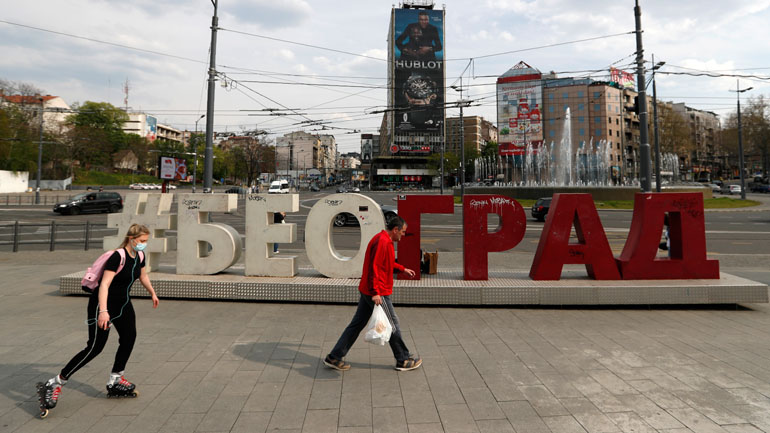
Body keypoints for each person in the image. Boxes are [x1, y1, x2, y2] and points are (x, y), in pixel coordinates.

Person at [37, 224, 159, 416]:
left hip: (123, 304)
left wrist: (152, 293)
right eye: (142, 241)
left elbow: (143, 276)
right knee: (95, 347)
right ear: (131, 238)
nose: (144, 244)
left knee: (129, 338)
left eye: (146, 241)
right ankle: (55, 383)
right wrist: (103, 311)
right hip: (101, 305)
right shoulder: (117, 256)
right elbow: (104, 285)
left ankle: (116, 380)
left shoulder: (140, 256)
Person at [324, 216, 421, 372]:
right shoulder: (382, 242)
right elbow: (373, 269)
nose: (403, 235)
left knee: (356, 325)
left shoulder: (382, 239)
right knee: (392, 324)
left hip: (368, 290)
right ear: (395, 230)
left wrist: (402, 269)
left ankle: (334, 357)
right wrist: (376, 293)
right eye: (402, 232)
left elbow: (386, 264)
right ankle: (403, 359)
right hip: (377, 292)